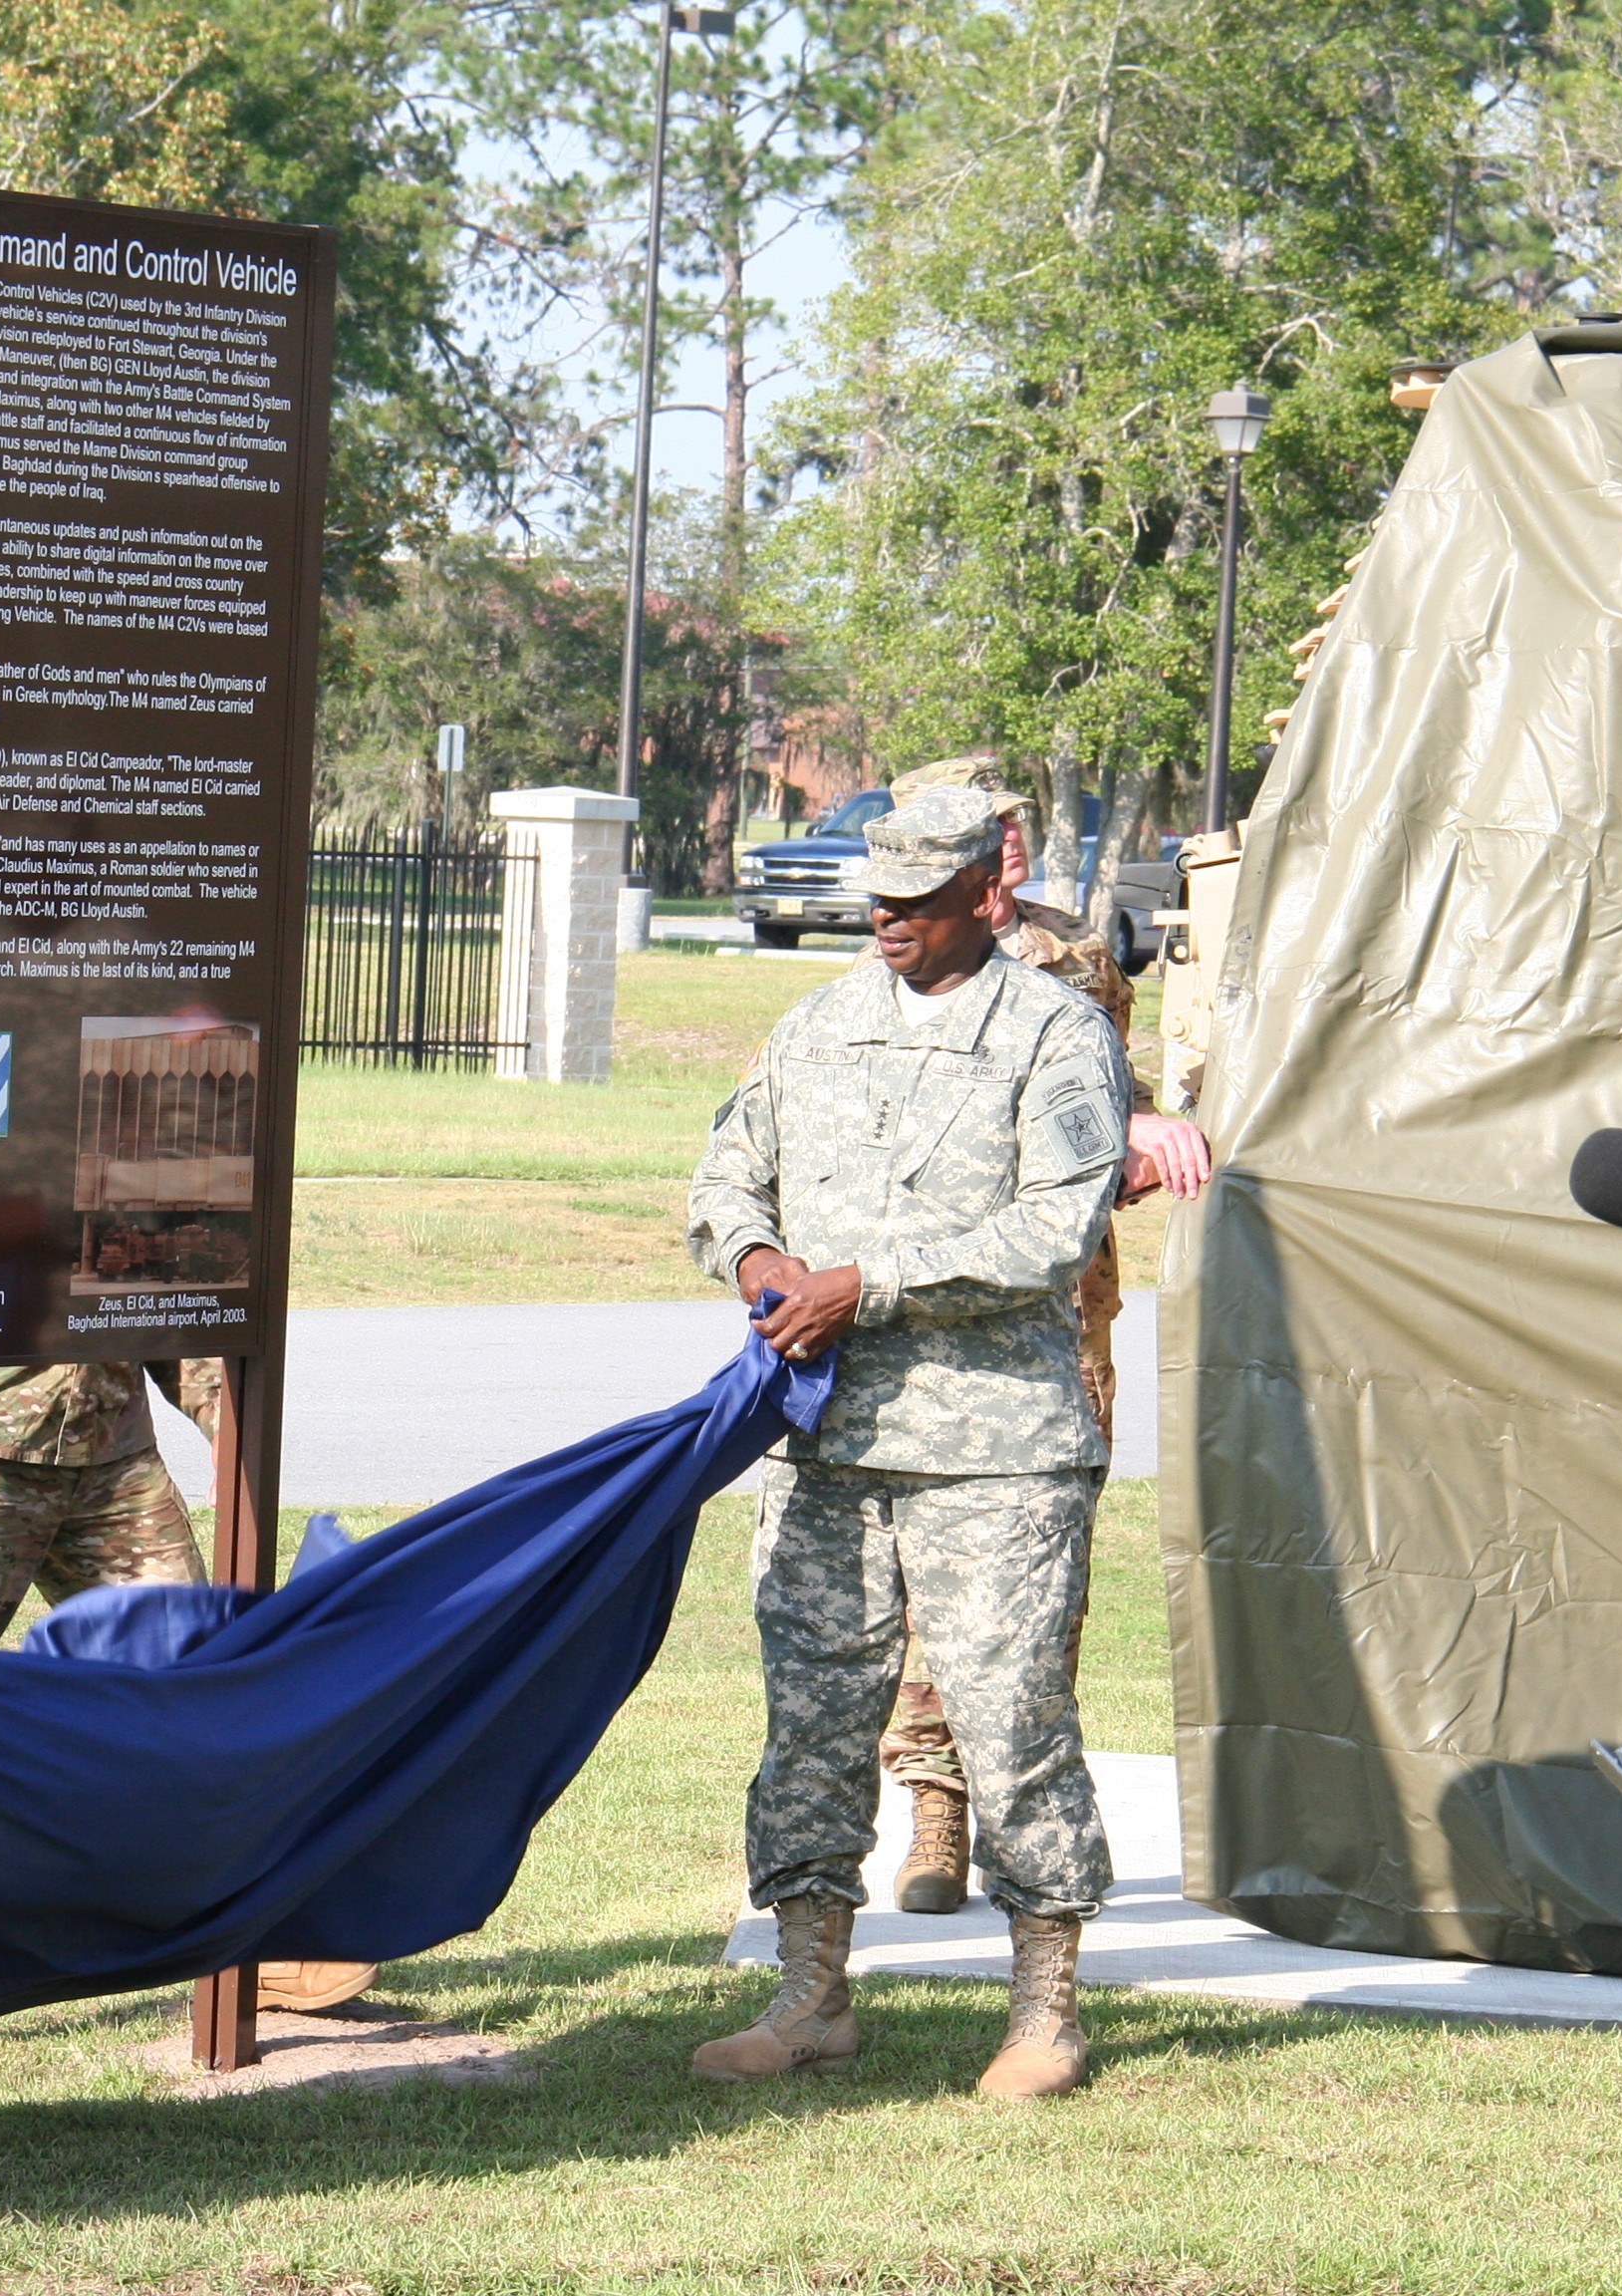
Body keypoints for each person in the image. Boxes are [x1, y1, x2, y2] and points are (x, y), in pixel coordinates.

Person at [685, 787, 1132, 2101]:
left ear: (981, 901)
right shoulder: (816, 1027)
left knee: (1012, 1725)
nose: (886, 926)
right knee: (813, 1725)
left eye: (915, 908)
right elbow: (725, 1175)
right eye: (875, 904)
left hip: (995, 1450)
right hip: (826, 1448)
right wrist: (761, 1256)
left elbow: (1057, 1226)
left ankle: (1045, 2010)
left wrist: (864, 1283)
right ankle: (811, 1995)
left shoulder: (1053, 1032)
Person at [863, 757, 1215, 1912]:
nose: (1008, 840)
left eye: (1013, 822)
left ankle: (1023, 1817)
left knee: (1044, 1577)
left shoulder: (1082, 958)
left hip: (1069, 1322)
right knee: (930, 1580)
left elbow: (1107, 1117)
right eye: (982, 828)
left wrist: (1145, 1136)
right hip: (940, 1320)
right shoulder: (891, 974)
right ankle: (935, 1815)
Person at [0, 1354, 370, 2022]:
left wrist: (227, 1418)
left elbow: (149, 1272)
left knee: (202, 1700)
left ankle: (258, 1946)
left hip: (113, 1454)